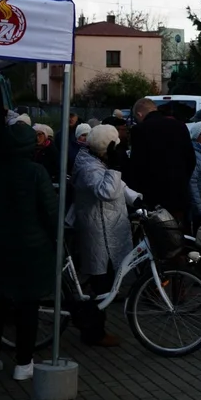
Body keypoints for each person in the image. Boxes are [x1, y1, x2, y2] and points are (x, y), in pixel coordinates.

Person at [0, 121, 62, 381]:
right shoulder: (37, 173)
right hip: (31, 250)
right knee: (27, 307)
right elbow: (50, 212)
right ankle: (24, 364)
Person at [71, 125, 144, 348]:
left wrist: (137, 199)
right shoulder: (88, 166)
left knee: (108, 280)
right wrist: (114, 167)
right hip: (98, 231)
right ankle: (94, 332)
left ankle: (94, 326)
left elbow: (119, 185)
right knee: (101, 284)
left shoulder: (96, 160)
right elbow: (107, 191)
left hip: (110, 227)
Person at [127, 98, 196, 222]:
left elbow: (137, 166)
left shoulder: (140, 130)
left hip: (152, 196)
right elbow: (191, 159)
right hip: (178, 193)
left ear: (139, 114)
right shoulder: (180, 126)